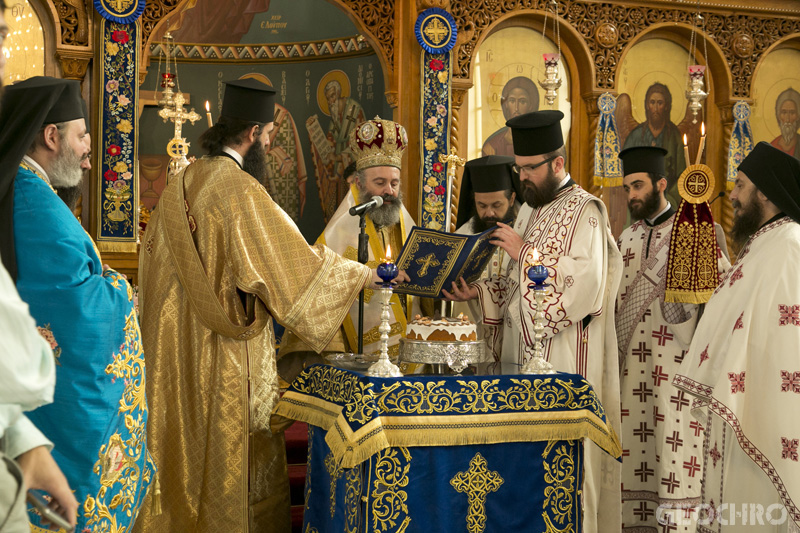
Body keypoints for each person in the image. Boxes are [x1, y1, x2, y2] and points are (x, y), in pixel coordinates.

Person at [136, 79, 401, 533]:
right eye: (271, 135)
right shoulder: (239, 190)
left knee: (180, 462)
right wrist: (364, 274)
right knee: (225, 463)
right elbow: (291, 265)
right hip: (223, 359)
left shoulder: (182, 183)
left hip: (169, 353)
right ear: (254, 133)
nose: (272, 143)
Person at [444, 110, 623, 532]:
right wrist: (481, 294)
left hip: (566, 366)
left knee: (565, 479)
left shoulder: (587, 212)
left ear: (557, 164)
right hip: (525, 366)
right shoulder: (532, 211)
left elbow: (586, 289)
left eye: (529, 169)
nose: (522, 178)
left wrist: (526, 253)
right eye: (518, 169)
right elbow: (514, 290)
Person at [0, 76, 154, 532]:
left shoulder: (25, 191)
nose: (89, 151)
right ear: (52, 137)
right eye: (82, 135)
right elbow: (74, 307)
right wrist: (122, 291)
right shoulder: (34, 204)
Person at [673, 142, 800, 532]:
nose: (734, 195)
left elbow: (785, 336)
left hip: (761, 411)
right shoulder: (764, 242)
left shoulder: (789, 244)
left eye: (741, 185)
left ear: (765, 191)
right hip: (737, 409)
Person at [615, 146, 730, 531]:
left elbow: (723, 301)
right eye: (627, 187)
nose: (631, 194)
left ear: (662, 183)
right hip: (631, 379)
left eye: (638, 185)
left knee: (673, 457)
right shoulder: (626, 238)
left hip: (676, 377)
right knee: (635, 460)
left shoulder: (694, 232)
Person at [279, 116, 419, 363]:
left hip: (410, 356)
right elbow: (320, 299)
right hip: (358, 359)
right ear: (358, 183)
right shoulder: (336, 236)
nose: (389, 191)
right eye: (380, 182)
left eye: (394, 183)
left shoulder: (407, 229)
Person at [453, 155, 521, 359]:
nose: (489, 213)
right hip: (476, 342)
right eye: (482, 206)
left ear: (511, 198)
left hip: (515, 339)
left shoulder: (527, 231)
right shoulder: (463, 236)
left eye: (496, 205)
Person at [622, 82, 687, 205]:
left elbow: (682, 175)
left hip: (667, 201)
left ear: (666, 106)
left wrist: (667, 199)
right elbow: (624, 170)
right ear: (647, 105)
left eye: (660, 103)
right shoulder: (635, 135)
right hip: (639, 202)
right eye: (652, 102)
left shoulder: (674, 135)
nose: (656, 108)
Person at [481, 76, 538, 157]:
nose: (516, 108)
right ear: (506, 104)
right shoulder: (492, 146)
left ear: (530, 106)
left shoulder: (538, 143)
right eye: (512, 101)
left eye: (522, 101)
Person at [770, 87, 800, 160]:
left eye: (792, 113)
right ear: (778, 115)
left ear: (798, 116)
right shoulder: (772, 147)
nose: (787, 119)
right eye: (784, 112)